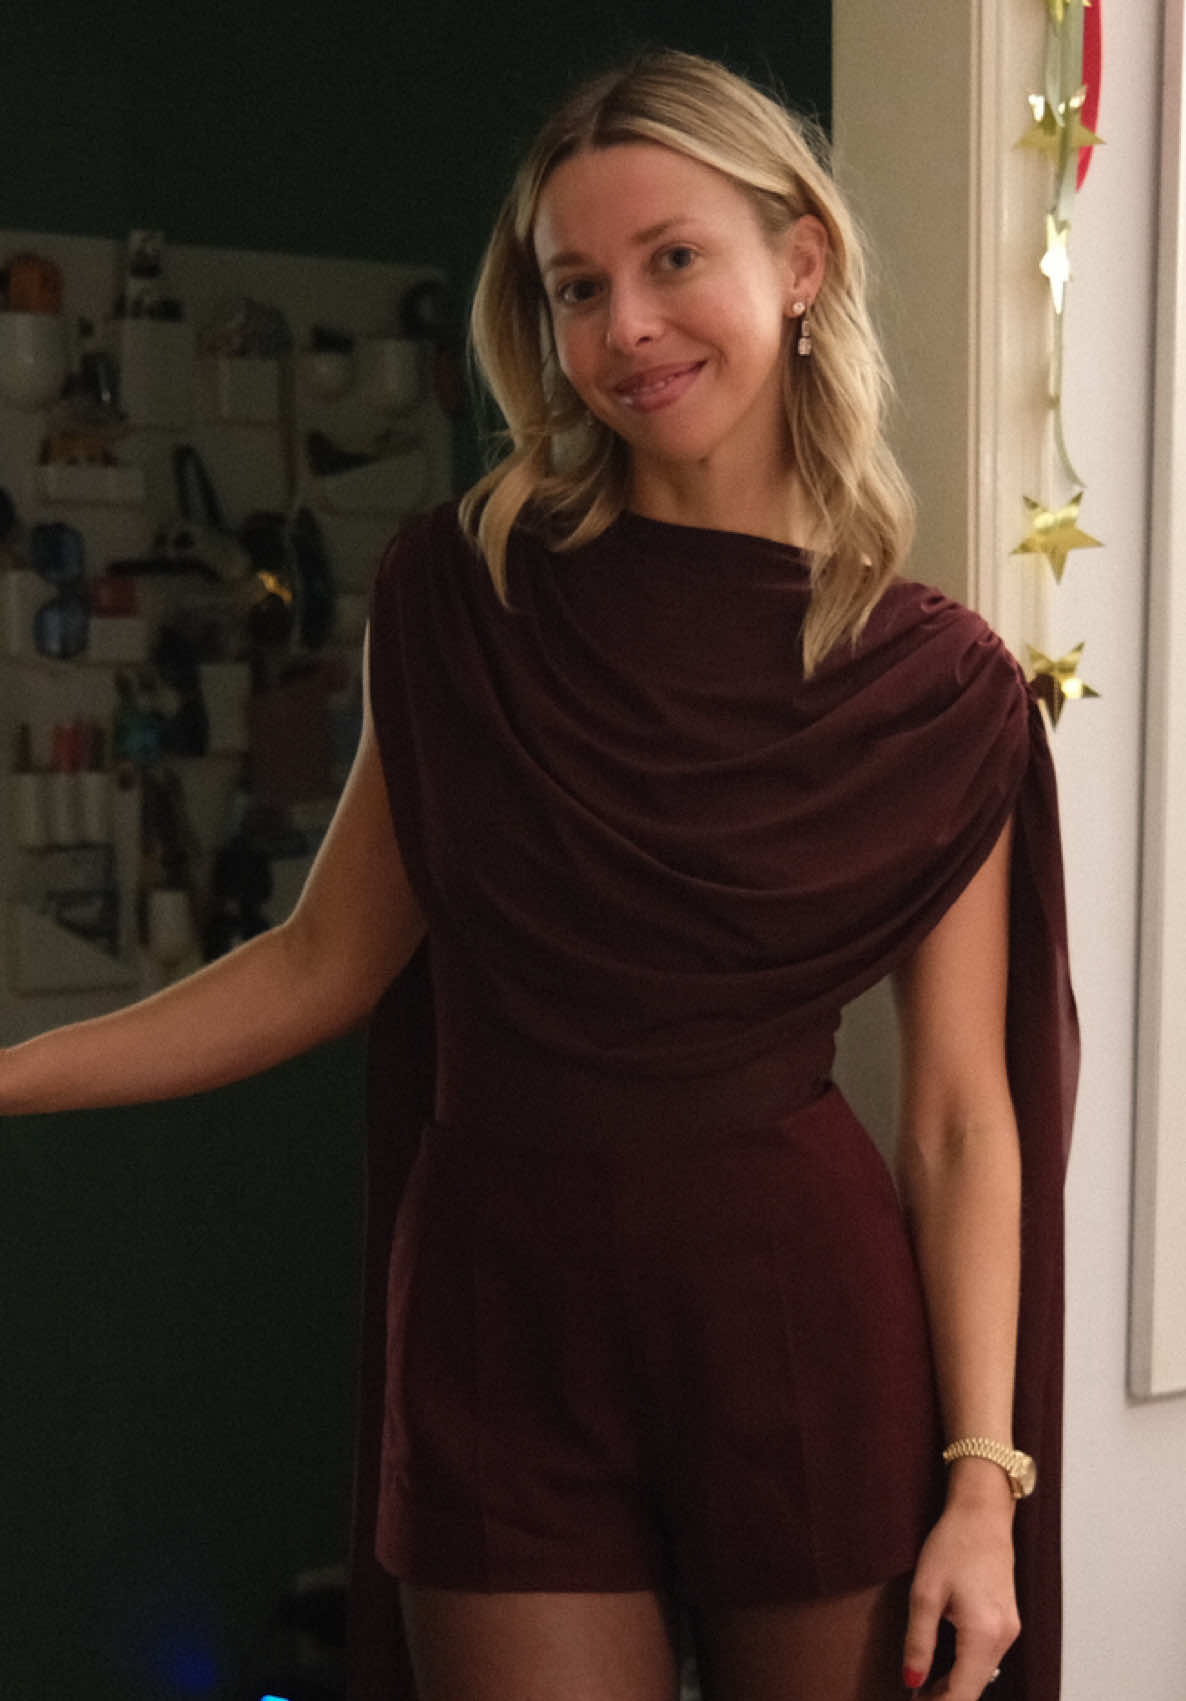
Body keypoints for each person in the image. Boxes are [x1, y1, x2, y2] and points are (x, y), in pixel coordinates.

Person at [1, 49, 1076, 1701]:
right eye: (577, 286)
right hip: (496, 1321)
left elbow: (954, 1113)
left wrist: (982, 1482)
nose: (624, 327)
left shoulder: (935, 686)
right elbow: (319, 962)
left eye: (671, 259)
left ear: (799, 263)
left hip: (795, 1316)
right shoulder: (458, 595)